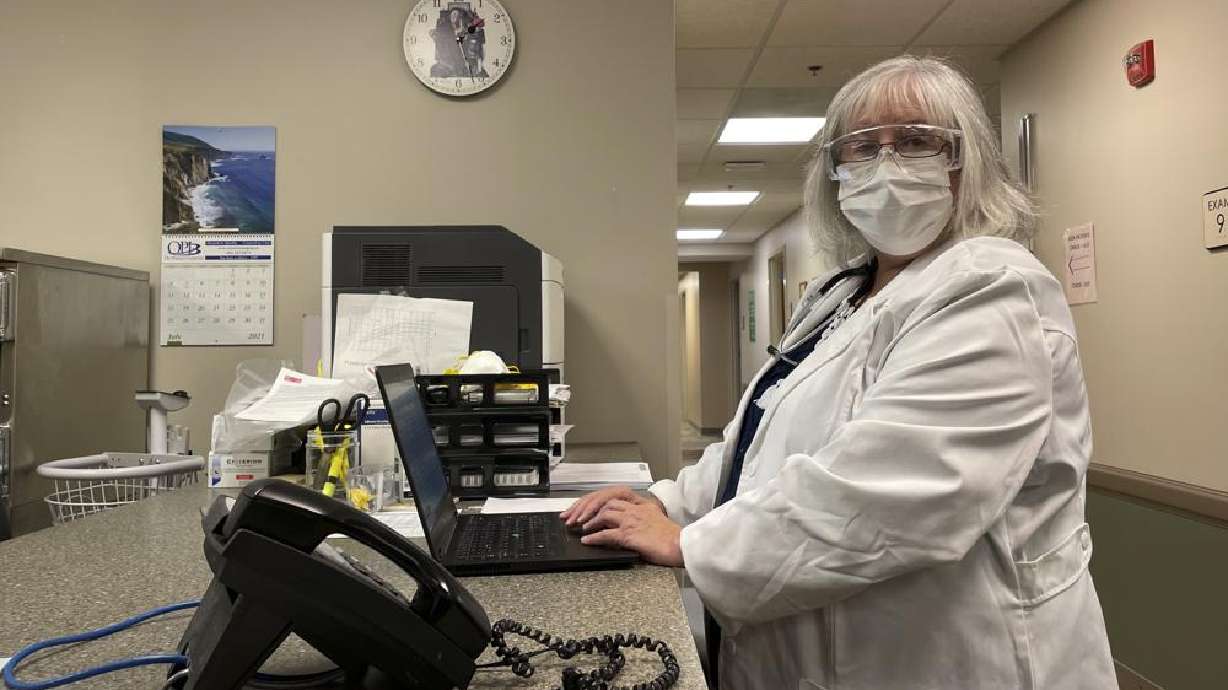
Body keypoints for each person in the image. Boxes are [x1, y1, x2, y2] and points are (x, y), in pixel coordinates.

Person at [562, 55, 1118, 690]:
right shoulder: (841, 292)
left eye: (915, 141)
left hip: (959, 657)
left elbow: (895, 488)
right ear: (835, 172)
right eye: (861, 147)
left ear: (966, 162)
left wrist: (691, 546)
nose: (885, 165)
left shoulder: (995, 289)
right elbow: (757, 441)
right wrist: (663, 502)